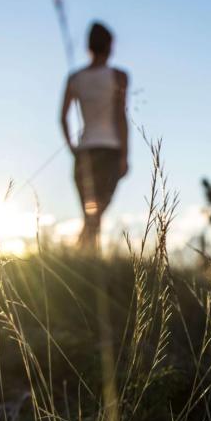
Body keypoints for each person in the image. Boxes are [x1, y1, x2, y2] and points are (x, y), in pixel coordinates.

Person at [60, 21, 129, 252]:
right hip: (110, 152)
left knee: (92, 214)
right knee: (96, 213)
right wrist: (124, 155)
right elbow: (120, 117)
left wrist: (73, 148)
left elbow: (62, 117)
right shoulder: (119, 76)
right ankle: (85, 259)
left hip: (85, 152)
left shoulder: (75, 78)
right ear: (109, 46)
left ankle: (82, 258)